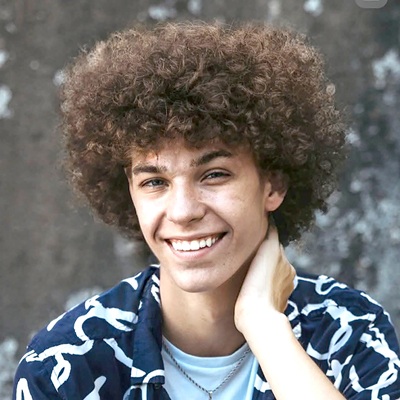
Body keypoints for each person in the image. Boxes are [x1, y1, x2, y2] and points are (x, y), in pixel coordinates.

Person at [13, 22, 400, 400]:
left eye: (214, 175)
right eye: (155, 182)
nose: (183, 212)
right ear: (128, 190)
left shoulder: (350, 331)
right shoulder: (65, 366)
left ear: (273, 185)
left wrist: (265, 327)